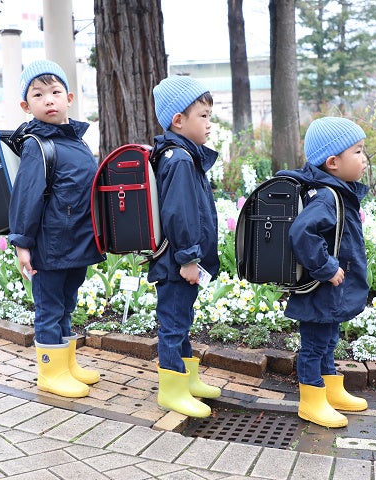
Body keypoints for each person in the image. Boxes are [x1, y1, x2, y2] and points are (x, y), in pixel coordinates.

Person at [8, 60, 104, 398]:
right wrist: (22, 244)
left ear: (69, 98)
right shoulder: (37, 144)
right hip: (50, 247)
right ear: (26, 106)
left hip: (77, 242)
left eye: (55, 92)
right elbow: (26, 196)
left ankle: (67, 364)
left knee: (66, 304)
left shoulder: (77, 141)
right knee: (49, 308)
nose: (48, 99)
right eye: (38, 95)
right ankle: (51, 373)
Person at [277, 116, 370, 428]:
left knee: (328, 340)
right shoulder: (327, 196)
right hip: (318, 290)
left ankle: (330, 388)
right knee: (314, 346)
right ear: (333, 162)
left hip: (329, 291)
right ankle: (311, 399)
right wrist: (326, 267)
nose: (364, 159)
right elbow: (302, 233)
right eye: (358, 151)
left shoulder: (336, 191)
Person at [149, 76, 222, 418]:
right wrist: (189, 259)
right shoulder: (179, 159)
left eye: (209, 116)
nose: (209, 123)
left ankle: (187, 379)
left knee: (182, 319)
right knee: (173, 324)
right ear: (178, 120)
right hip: (176, 262)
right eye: (203, 116)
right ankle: (172, 390)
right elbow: (180, 215)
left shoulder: (184, 156)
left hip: (180, 260)